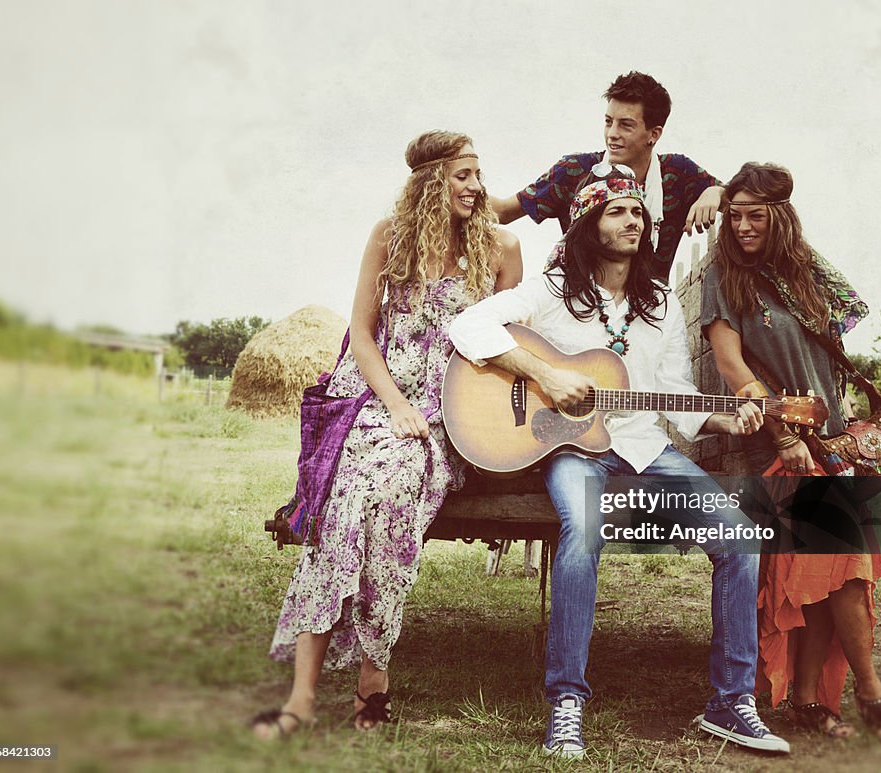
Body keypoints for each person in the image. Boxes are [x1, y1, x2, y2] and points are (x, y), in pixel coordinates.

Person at [450, 172, 790, 758]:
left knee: (739, 537)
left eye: (638, 212)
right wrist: (545, 374)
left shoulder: (657, 305)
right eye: (616, 212)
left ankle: (730, 703)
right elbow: (468, 325)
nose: (632, 221)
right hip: (573, 449)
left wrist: (725, 419)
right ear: (589, 223)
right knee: (583, 534)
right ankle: (567, 702)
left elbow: (676, 394)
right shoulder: (551, 289)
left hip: (643, 447)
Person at [251, 130, 522, 739]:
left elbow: (505, 347)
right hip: (376, 399)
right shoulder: (390, 238)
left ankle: (373, 675)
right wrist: (396, 405)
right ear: (431, 181)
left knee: (394, 501)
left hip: (451, 414)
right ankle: (301, 698)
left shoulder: (503, 248)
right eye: (463, 175)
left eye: (479, 174)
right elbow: (363, 332)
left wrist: (434, 417)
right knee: (345, 506)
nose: (477, 187)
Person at [701, 162, 881, 745]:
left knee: (826, 572)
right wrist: (783, 434)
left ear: (782, 217)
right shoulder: (721, 273)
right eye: (735, 215)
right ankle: (870, 696)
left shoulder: (807, 272)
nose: (743, 226)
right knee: (842, 565)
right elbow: (730, 365)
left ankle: (808, 701)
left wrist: (839, 426)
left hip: (828, 444)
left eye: (756, 215)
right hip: (771, 446)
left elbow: (834, 347)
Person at [490, 71, 725, 283]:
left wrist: (717, 192)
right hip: (577, 307)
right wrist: (456, 181)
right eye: (608, 122)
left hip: (650, 314)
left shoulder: (678, 173)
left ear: (654, 134)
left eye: (626, 126)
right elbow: (502, 211)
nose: (612, 134)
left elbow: (747, 201)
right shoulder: (574, 170)